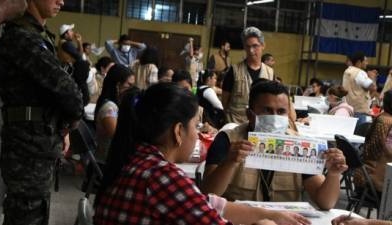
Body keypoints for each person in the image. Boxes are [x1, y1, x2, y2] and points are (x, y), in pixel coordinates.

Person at [93, 82, 310, 225]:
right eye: (196, 126)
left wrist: (271, 215)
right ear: (178, 132)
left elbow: (210, 203)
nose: (198, 135)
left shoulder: (138, 161)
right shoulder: (164, 177)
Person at [0, 0, 84, 224]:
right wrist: (71, 118)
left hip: (37, 144)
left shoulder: (37, 37)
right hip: (28, 149)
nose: (61, 1)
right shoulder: (22, 38)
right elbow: (70, 94)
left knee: (35, 211)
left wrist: (63, 127)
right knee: (28, 214)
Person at [202, 80, 347, 209]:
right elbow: (208, 194)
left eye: (281, 111)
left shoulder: (300, 146)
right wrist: (229, 162)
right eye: (267, 110)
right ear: (249, 114)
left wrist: (333, 175)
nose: (275, 117)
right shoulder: (228, 140)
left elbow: (325, 203)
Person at [222, 27, 274, 124]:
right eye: (248, 46)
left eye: (255, 46)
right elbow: (224, 102)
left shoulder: (270, 73)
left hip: (260, 125)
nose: (251, 50)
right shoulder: (234, 71)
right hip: (235, 124)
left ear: (263, 46)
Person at [94, 65, 136, 162]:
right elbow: (119, 138)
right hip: (108, 161)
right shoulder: (109, 108)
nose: (131, 89)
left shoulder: (112, 104)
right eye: (129, 85)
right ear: (117, 85)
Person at [354, 90, 392, 194]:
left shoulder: (383, 117)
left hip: (366, 173)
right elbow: (382, 150)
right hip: (376, 180)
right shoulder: (386, 121)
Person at [343, 51, 377, 126]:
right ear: (359, 62)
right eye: (365, 61)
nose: (367, 63)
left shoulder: (347, 71)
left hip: (348, 109)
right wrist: (372, 77)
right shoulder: (359, 72)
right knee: (359, 135)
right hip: (360, 112)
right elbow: (373, 87)